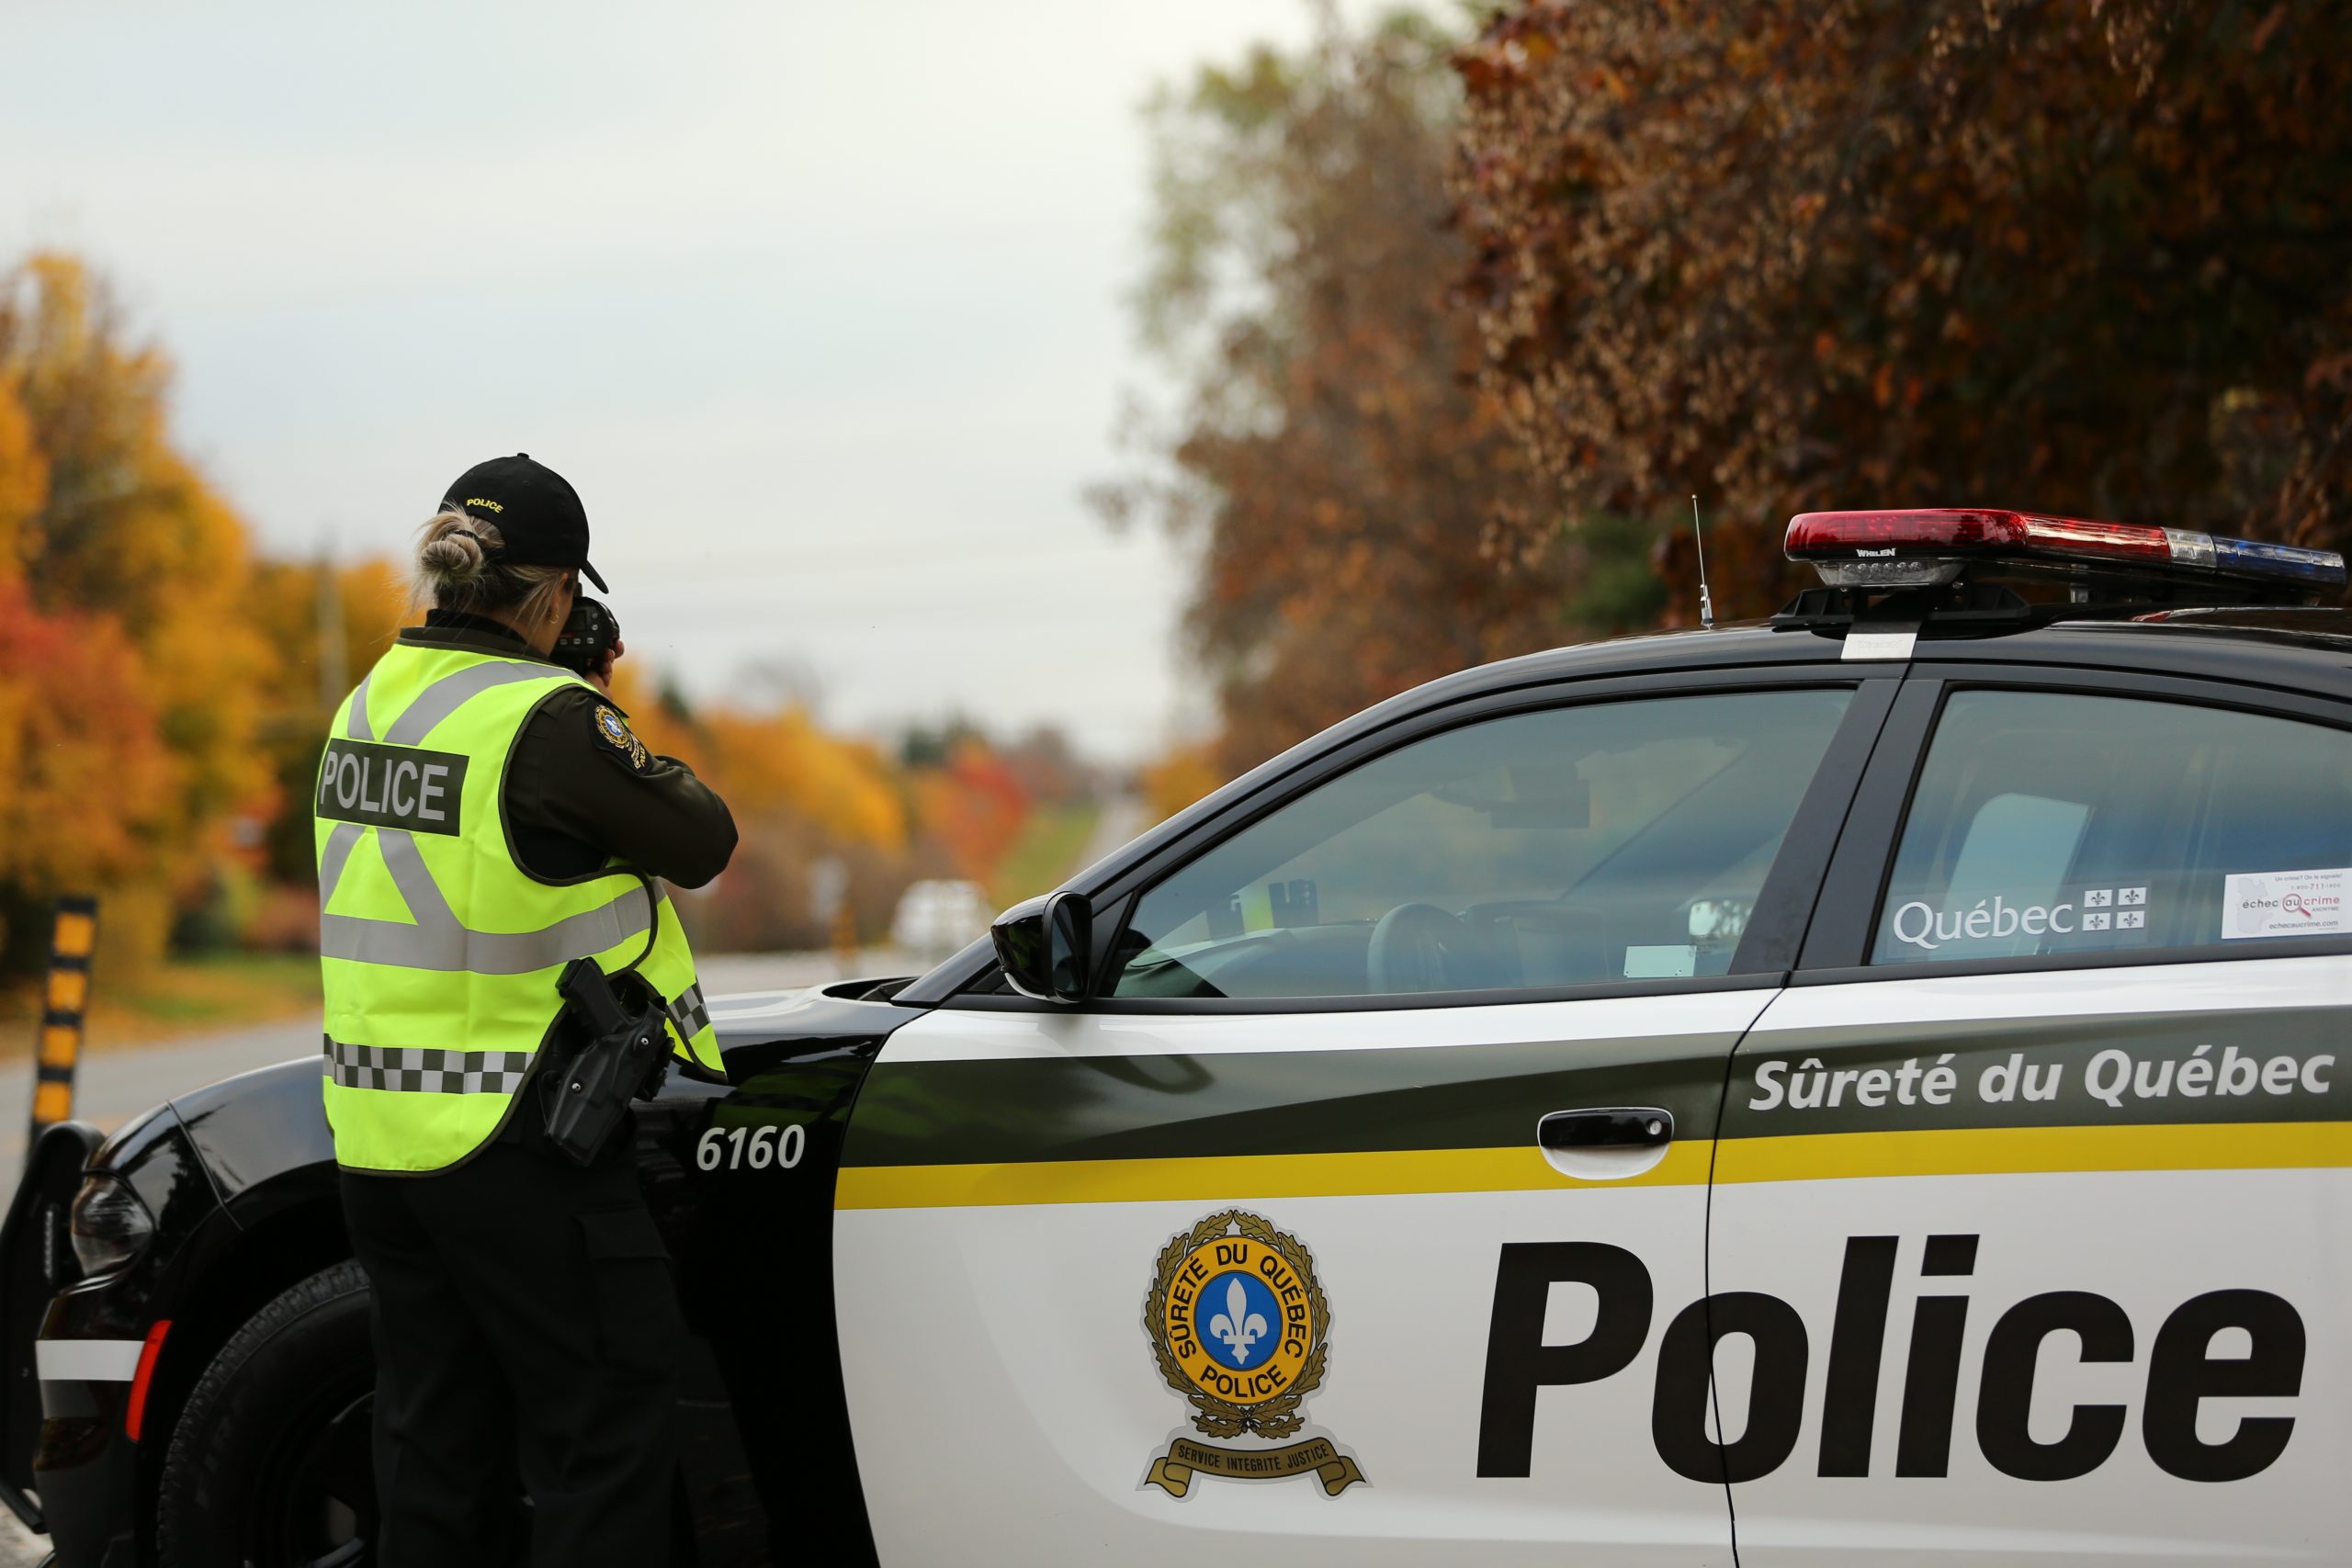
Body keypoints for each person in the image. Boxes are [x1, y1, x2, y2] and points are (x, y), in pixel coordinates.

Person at [316, 453, 736, 1568]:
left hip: (378, 1142)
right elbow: (702, 839)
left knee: (434, 1448)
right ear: (554, 595)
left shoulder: (367, 702)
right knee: (604, 1429)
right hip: (516, 1139)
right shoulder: (545, 721)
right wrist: (591, 697)